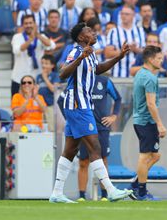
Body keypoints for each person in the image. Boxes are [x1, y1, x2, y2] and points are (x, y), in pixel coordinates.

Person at [49, 22, 132, 203]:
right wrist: (80, 58)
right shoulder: (77, 51)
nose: (93, 32)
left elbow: (98, 69)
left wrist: (119, 56)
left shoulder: (90, 53)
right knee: (95, 147)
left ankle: (56, 192)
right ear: (81, 37)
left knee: (70, 150)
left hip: (80, 104)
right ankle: (110, 190)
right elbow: (62, 73)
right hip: (78, 104)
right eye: (89, 31)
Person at [75, 74, 122, 201]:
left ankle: (105, 195)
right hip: (84, 128)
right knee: (83, 162)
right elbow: (62, 100)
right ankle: (81, 196)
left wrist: (114, 116)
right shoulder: (79, 79)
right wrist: (74, 120)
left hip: (101, 128)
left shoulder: (104, 81)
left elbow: (118, 98)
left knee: (103, 160)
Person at [131, 45, 167, 201]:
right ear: (151, 59)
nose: (161, 62)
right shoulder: (150, 78)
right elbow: (151, 104)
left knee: (155, 155)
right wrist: (160, 123)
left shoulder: (140, 73)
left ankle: (136, 183)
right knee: (145, 156)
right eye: (159, 59)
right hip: (146, 121)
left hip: (141, 120)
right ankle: (141, 192)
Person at [11, 14, 55, 97]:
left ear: (35, 24)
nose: (28, 25)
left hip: (36, 79)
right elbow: (17, 50)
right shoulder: (17, 37)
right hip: (19, 78)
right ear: (23, 25)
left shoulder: (41, 37)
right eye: (26, 23)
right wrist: (30, 39)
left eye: (30, 23)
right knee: (17, 106)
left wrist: (37, 36)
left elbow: (51, 46)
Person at [105, 5, 145, 78]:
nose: (124, 16)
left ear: (133, 15)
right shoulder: (114, 31)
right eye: (122, 14)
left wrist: (136, 49)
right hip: (118, 74)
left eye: (127, 14)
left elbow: (145, 52)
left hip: (137, 76)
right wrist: (126, 50)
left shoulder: (140, 31)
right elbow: (108, 54)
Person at [36, 54, 60, 132]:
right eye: (42, 63)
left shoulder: (55, 76)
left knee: (51, 129)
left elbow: (54, 89)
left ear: (52, 65)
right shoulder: (38, 76)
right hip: (40, 106)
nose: (43, 65)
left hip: (51, 106)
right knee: (40, 129)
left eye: (46, 63)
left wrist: (45, 78)